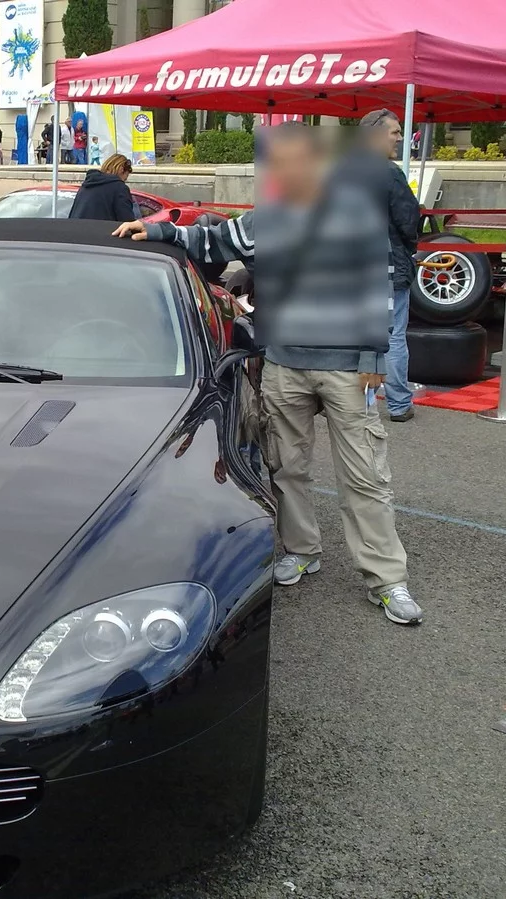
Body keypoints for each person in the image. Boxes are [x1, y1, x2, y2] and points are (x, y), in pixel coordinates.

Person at [112, 123, 422, 626]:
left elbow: (378, 285)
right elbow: (213, 240)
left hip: (348, 368)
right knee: (285, 467)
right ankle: (302, 550)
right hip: (283, 364)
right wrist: (160, 231)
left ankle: (387, 579)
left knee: (365, 475)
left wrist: (374, 358)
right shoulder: (268, 220)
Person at [347, 109, 421, 423]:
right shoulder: (388, 173)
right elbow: (408, 221)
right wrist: (409, 248)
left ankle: (360, 404)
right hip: (388, 267)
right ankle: (399, 404)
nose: (400, 138)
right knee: (392, 337)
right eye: (395, 132)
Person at [69, 153, 140, 222]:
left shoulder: (86, 185)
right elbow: (126, 220)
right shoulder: (119, 188)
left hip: (76, 228)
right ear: (121, 170)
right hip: (103, 229)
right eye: (125, 178)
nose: (124, 181)